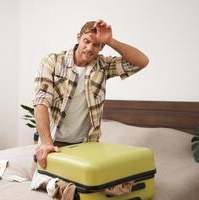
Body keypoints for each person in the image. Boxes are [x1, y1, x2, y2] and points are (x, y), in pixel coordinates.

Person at [30, 19, 149, 197]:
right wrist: (47, 144)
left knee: (95, 182)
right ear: (78, 38)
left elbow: (142, 62)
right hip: (54, 143)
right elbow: (41, 102)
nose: (90, 48)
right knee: (49, 179)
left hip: (85, 147)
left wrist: (111, 41)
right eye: (86, 41)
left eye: (97, 44)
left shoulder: (103, 66)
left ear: (101, 47)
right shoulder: (53, 61)